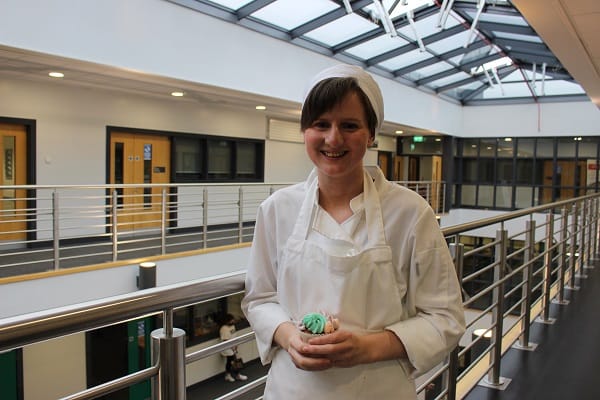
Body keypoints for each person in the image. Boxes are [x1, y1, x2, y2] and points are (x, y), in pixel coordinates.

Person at [241, 64, 465, 399]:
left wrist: (368, 347)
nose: (333, 139)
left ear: (371, 133)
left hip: (378, 388)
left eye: (349, 125)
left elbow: (445, 317)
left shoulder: (410, 212)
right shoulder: (277, 209)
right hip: (293, 388)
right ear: (305, 130)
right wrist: (289, 337)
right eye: (321, 124)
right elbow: (259, 298)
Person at [219, 313, 248, 382]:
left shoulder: (232, 326)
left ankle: (233, 375)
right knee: (231, 361)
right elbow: (225, 339)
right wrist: (233, 347)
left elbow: (234, 335)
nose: (233, 321)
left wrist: (236, 345)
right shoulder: (223, 328)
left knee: (232, 361)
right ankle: (231, 375)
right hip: (227, 348)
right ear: (227, 321)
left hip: (233, 346)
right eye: (231, 320)